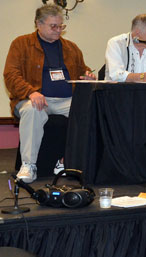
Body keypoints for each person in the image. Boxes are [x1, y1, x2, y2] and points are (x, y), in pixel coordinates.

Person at [3, 4, 95, 183]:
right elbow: (11, 75)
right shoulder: (21, 44)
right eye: (54, 26)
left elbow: (82, 70)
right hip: (35, 98)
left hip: (66, 100)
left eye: (61, 26)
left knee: (91, 111)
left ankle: (65, 161)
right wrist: (31, 92)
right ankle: (28, 165)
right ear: (38, 24)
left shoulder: (71, 48)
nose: (58, 30)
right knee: (32, 110)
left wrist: (88, 75)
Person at [105, 14, 146, 82]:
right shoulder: (116, 43)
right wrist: (143, 77)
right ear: (138, 34)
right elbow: (116, 75)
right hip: (118, 91)